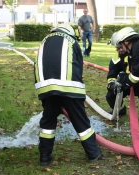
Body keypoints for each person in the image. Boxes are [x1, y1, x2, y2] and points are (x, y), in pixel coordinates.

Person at [34, 23, 102, 166]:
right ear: (70, 32)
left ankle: (44, 157)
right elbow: (79, 67)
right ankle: (93, 153)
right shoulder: (71, 41)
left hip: (46, 88)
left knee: (47, 122)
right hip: (70, 87)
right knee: (80, 120)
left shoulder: (44, 41)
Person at [106, 32, 139, 131]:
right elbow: (112, 73)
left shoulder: (138, 53)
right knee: (110, 96)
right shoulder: (116, 58)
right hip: (125, 83)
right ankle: (121, 110)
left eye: (121, 47)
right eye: (117, 48)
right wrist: (112, 84)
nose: (120, 50)